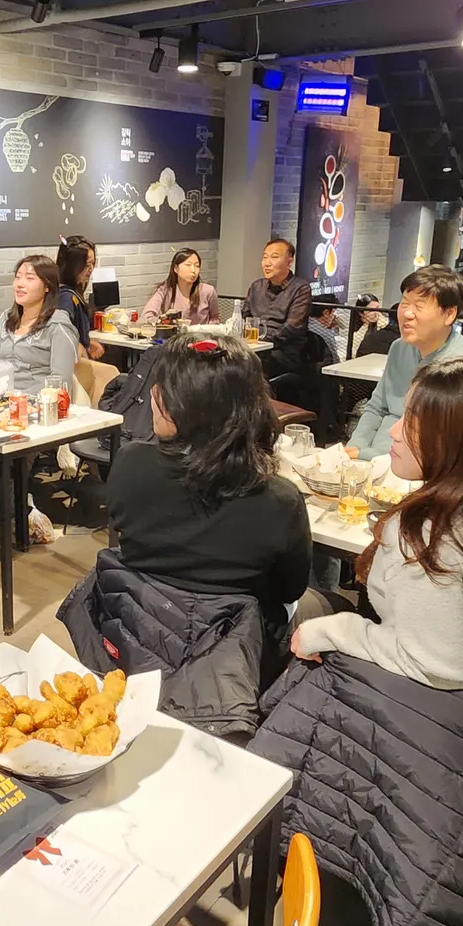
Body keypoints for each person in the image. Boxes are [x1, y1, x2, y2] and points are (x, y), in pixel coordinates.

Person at [291, 355, 463, 887]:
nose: (395, 431)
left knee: (311, 658)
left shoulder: (428, 534)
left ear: (459, 442)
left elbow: (440, 667)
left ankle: (322, 846)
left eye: (415, 422)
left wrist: (332, 631)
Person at [104, 332, 311, 632]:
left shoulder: (129, 462)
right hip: (234, 640)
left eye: (163, 387)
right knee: (324, 606)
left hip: (144, 626)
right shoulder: (280, 499)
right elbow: (289, 591)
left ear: (183, 404)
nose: (152, 393)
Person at [347, 266, 463, 457]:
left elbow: (436, 448)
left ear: (449, 314)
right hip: (370, 459)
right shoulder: (400, 348)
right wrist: (355, 446)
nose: (407, 313)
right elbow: (377, 407)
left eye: (419, 306)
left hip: (408, 467)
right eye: (405, 303)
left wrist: (363, 455)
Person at [0, 255, 80, 383]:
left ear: (47, 286)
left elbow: (61, 382)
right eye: (18, 277)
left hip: (38, 394)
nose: (20, 284)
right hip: (1, 394)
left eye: (29, 278)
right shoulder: (5, 319)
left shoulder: (58, 326)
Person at [241, 238, 311, 367]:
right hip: (255, 347)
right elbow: (244, 317)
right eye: (265, 257)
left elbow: (292, 328)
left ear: (289, 262)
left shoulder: (300, 288)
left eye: (274, 257)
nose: (267, 263)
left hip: (283, 352)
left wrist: (263, 342)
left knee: (243, 366)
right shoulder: (256, 286)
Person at [140, 248, 220, 324]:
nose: (193, 270)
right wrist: (163, 322)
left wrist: (206, 330)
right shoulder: (165, 290)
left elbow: (215, 319)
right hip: (174, 333)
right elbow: (146, 316)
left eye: (197, 266)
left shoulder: (208, 291)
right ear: (176, 268)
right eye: (188, 265)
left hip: (201, 334)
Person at [57, 235, 101, 359]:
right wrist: (80, 346)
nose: (90, 269)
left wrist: (87, 343)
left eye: (93, 263)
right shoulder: (65, 298)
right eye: (86, 265)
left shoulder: (72, 293)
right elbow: (61, 336)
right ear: (71, 265)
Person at [347, 294, 398, 360]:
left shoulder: (387, 324)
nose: (376, 313)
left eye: (377, 308)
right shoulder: (357, 333)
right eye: (371, 310)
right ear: (361, 313)